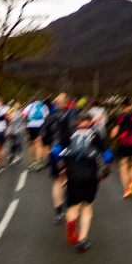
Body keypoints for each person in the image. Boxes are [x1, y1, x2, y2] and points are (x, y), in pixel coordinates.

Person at [58, 115, 111, 253]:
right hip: (90, 174)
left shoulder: (68, 133)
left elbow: (55, 152)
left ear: (76, 122)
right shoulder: (96, 135)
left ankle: (71, 222)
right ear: (90, 123)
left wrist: (62, 168)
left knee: (74, 206)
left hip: (73, 174)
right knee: (87, 206)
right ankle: (82, 240)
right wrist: (106, 171)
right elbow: (108, 154)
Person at [43, 93, 77, 223]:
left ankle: (58, 213)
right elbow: (75, 132)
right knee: (68, 179)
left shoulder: (50, 117)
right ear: (67, 102)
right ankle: (69, 206)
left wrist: (49, 145)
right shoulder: (72, 115)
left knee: (56, 181)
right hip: (70, 150)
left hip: (55, 150)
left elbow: (44, 135)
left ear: (56, 103)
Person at [111, 99, 132, 198]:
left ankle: (126, 189)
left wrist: (115, 133)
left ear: (122, 107)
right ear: (130, 106)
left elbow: (113, 134)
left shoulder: (119, 118)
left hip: (123, 143)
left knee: (123, 165)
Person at [23, 96, 48, 168]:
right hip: (40, 126)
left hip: (31, 126)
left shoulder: (30, 105)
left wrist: (28, 121)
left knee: (31, 144)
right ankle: (38, 162)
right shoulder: (43, 106)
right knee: (39, 144)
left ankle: (31, 163)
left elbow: (24, 115)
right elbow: (46, 116)